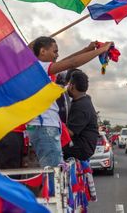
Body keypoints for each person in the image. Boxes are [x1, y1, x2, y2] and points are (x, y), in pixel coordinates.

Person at [27, 37, 111, 169]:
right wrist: (102, 50)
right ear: (42, 51)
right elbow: (71, 63)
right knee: (54, 176)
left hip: (45, 127)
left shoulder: (40, 69)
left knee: (52, 174)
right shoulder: (39, 68)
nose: (57, 55)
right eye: (55, 51)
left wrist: (87, 49)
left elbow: (67, 62)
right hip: (45, 127)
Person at [62, 71, 98, 160]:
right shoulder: (83, 100)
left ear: (72, 86)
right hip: (82, 147)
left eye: (69, 84)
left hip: (80, 149)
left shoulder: (81, 106)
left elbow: (69, 132)